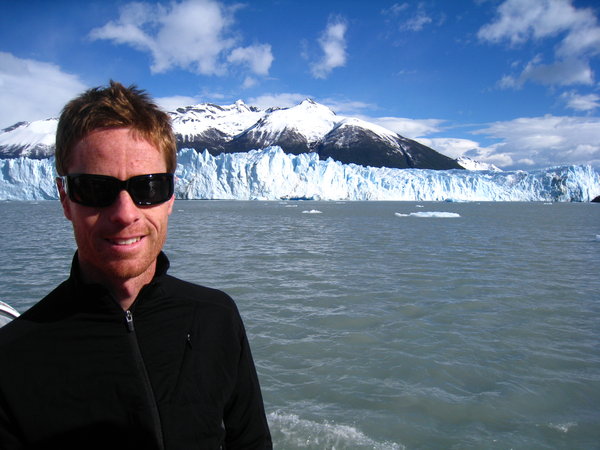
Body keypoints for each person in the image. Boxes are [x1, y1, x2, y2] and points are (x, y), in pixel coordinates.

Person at [0, 81, 272, 449]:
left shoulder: (216, 318)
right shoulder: (13, 359)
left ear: (171, 196)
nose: (125, 214)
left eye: (148, 187)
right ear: (65, 199)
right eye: (95, 189)